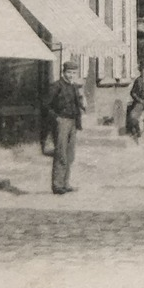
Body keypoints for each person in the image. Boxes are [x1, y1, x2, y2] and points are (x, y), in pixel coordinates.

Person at [44, 59, 85, 195]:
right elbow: (46, 105)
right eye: (69, 72)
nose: (71, 75)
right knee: (61, 153)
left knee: (70, 155)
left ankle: (65, 183)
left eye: (74, 72)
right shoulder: (56, 86)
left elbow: (76, 104)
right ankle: (57, 184)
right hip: (61, 122)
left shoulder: (73, 87)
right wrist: (56, 118)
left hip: (72, 122)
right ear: (64, 72)